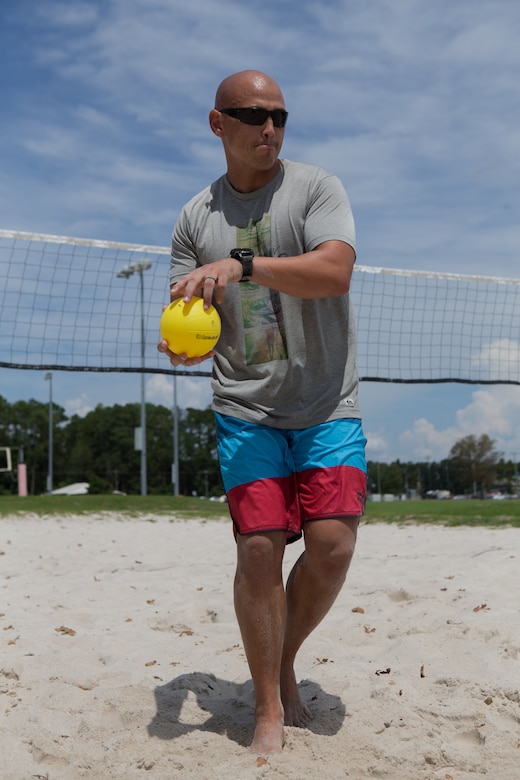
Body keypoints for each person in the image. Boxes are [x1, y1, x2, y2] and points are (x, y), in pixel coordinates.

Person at [158, 70, 367, 755]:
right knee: (258, 549)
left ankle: (283, 655)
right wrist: (182, 337)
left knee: (333, 546)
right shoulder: (196, 218)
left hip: (327, 400)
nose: (268, 127)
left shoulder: (315, 188)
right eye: (251, 114)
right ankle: (269, 705)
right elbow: (191, 310)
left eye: (279, 114)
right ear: (218, 124)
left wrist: (243, 265)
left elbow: (334, 270)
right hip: (245, 406)